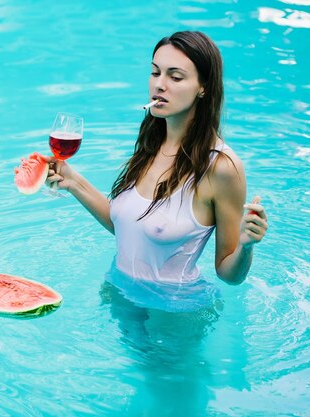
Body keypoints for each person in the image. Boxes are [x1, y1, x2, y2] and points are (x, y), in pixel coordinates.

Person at [45, 31, 268, 287]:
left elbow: (228, 274)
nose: (159, 85)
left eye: (175, 77)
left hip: (174, 312)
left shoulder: (221, 167)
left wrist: (246, 245)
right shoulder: (152, 142)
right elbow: (130, 229)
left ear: (203, 88)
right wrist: (73, 181)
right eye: (155, 73)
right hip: (118, 293)